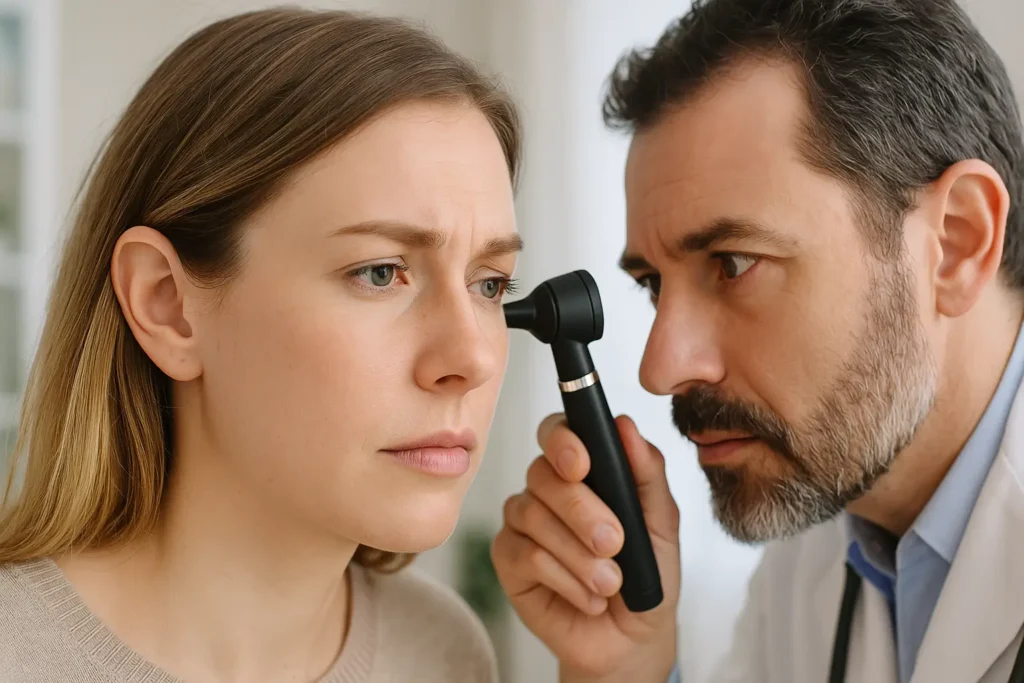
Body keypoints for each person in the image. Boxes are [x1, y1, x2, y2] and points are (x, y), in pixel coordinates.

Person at [490, 0, 1024, 681]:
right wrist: (626, 667)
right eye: (653, 283)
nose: (661, 367)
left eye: (733, 263)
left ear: (956, 243)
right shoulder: (818, 554)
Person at [0, 8, 523, 683]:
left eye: (490, 283)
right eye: (379, 272)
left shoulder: (442, 651)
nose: (472, 358)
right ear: (167, 305)